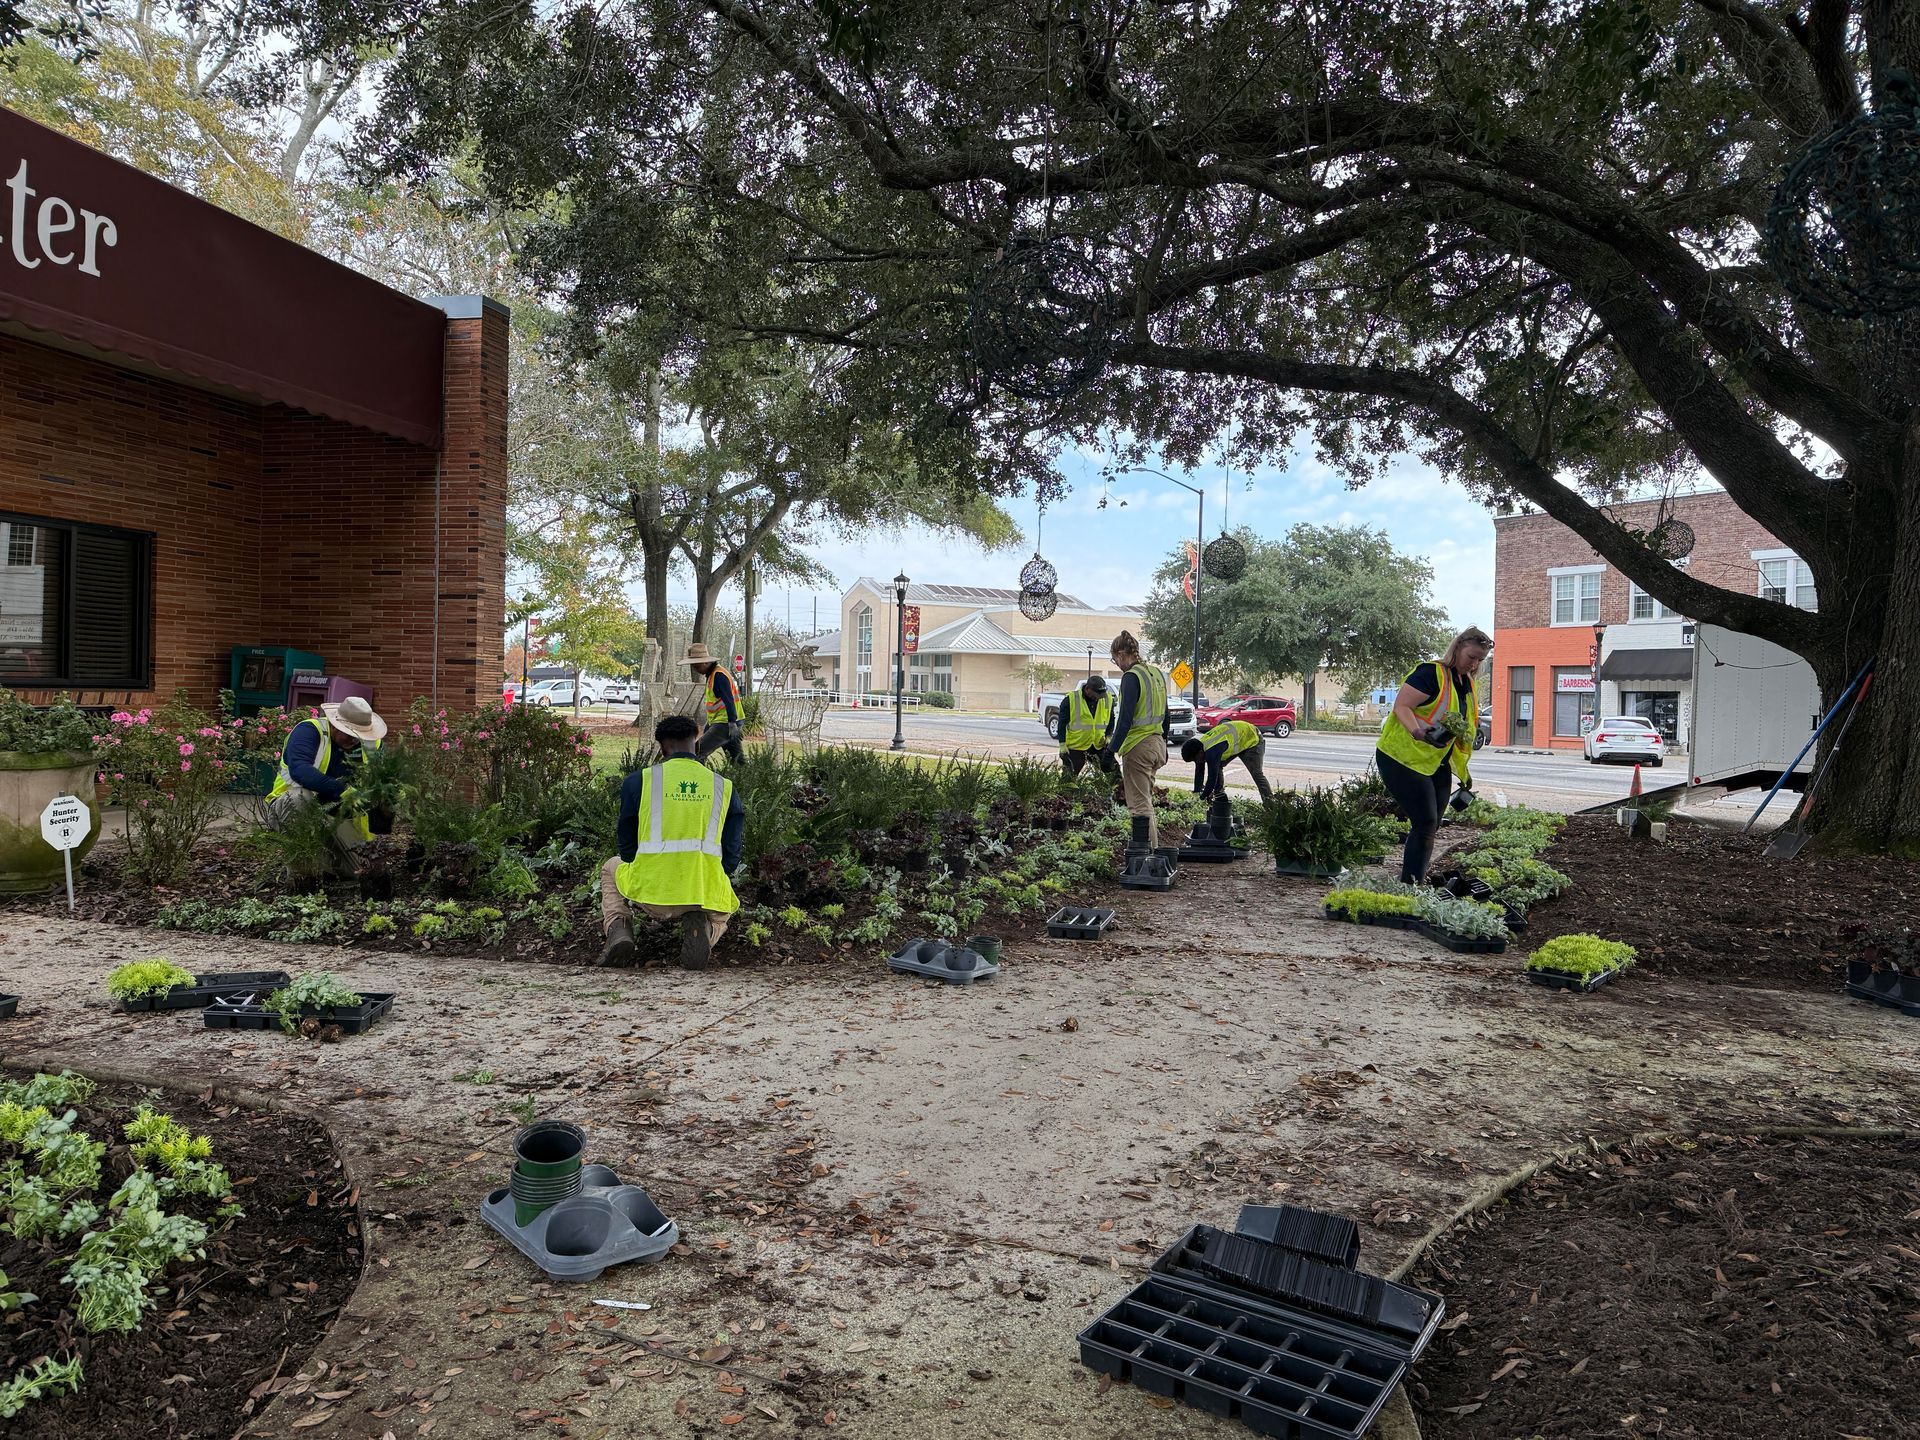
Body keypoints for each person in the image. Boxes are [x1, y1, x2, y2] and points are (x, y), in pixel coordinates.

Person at [599, 713, 744, 970]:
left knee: (610, 867)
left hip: (652, 894)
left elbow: (627, 848)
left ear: (663, 748)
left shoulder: (638, 781)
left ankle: (619, 929)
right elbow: (732, 854)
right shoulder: (724, 787)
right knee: (722, 914)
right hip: (704, 893)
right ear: (696, 743)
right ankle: (706, 930)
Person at [1376, 626, 1490, 883]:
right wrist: (1417, 731)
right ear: (1457, 648)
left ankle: (1415, 881)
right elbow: (1401, 706)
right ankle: (1411, 884)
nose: (1474, 664)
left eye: (1480, 660)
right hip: (1400, 757)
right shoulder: (1430, 673)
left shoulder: (1465, 683)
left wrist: (1464, 774)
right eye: (1471, 657)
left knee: (1432, 824)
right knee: (1425, 822)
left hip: (1434, 760)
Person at [265, 696, 390, 873]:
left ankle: (328, 864)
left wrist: (386, 801)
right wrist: (343, 791)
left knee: (359, 872)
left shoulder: (372, 744)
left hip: (338, 816)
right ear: (335, 724)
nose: (355, 740)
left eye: (359, 735)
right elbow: (300, 770)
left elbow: (385, 782)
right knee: (300, 798)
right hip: (294, 808)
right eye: (350, 734)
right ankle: (303, 874)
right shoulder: (309, 731)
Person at [1102, 631, 1170, 848]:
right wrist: (1164, 743)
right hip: (1156, 744)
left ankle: (1148, 856)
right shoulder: (1156, 674)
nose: (1116, 664)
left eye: (1115, 659)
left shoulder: (1131, 677)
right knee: (1146, 801)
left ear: (1121, 654)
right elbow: (1166, 714)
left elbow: (1125, 720)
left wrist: (1110, 750)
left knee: (1140, 807)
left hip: (1138, 747)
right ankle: (1151, 852)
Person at [1181, 716, 1275, 803]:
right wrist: (1197, 792)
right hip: (1237, 740)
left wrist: (1201, 798)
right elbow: (1199, 772)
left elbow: (1212, 778)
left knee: (1257, 773)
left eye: (1195, 760)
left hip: (1252, 738)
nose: (1197, 762)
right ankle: (1220, 798)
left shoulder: (1212, 750)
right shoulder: (1199, 747)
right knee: (1217, 766)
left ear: (1200, 753)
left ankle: (1270, 803)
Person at [686, 643, 744, 764]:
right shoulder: (713, 674)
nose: (695, 669)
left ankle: (697, 775)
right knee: (736, 759)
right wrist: (709, 725)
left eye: (697, 666)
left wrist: (732, 723)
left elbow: (729, 700)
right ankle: (749, 775)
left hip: (726, 723)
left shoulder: (719, 676)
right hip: (723, 721)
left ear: (705, 662)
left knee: (697, 752)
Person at [1055, 675, 1116, 779]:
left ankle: (1119, 789)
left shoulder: (1107, 698)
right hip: (1076, 746)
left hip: (1098, 744)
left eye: (1101, 695)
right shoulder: (1071, 699)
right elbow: (1061, 724)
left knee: (1114, 774)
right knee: (1068, 780)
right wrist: (1062, 744)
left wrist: (1108, 736)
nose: (1099, 698)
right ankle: (1067, 790)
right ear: (1087, 689)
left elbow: (1111, 719)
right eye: (1096, 695)